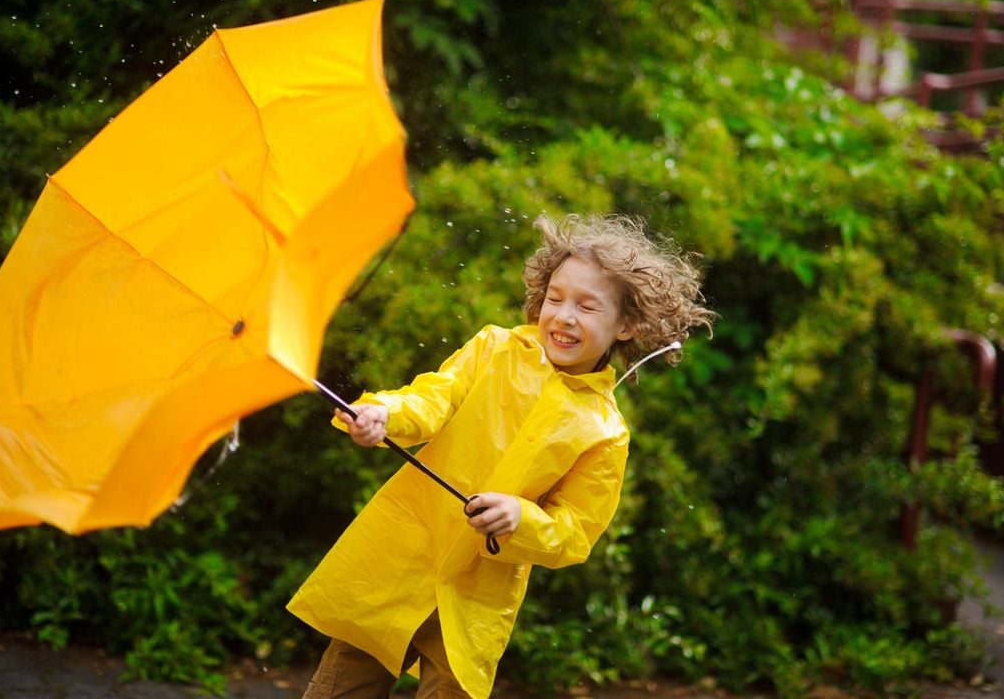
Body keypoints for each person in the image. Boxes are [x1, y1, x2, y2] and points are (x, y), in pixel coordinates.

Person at [288, 213, 715, 698]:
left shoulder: (604, 431)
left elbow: (574, 532)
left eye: (587, 306)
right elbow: (434, 398)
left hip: (475, 600)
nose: (564, 316)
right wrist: (384, 412)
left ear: (627, 325)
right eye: (555, 298)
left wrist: (521, 519)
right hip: (398, 562)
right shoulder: (494, 349)